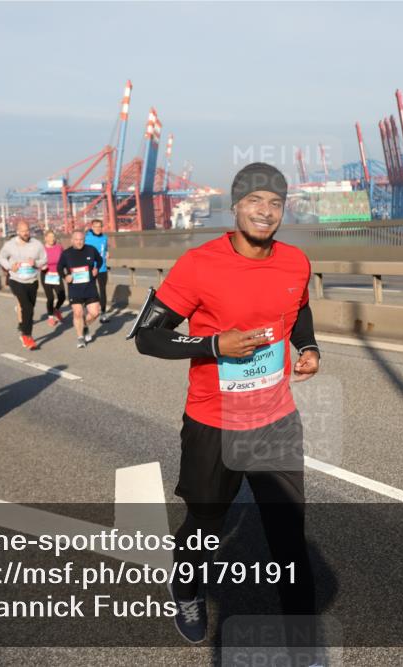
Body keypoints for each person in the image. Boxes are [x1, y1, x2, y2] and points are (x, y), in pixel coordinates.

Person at [132, 163, 320, 644]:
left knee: (287, 534)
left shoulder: (296, 262)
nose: (266, 211)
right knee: (206, 526)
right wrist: (215, 346)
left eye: (275, 203)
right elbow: (148, 338)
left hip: (274, 419)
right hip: (213, 421)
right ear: (235, 206)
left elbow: (297, 307)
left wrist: (309, 346)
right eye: (255, 200)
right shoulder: (198, 265)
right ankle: (186, 589)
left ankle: (300, 633)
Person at [0, 222, 47, 350]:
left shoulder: (37, 244)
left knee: (30, 309)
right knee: (27, 307)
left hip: (32, 280)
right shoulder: (10, 245)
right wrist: (9, 267)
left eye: (27, 230)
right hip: (16, 280)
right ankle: (27, 335)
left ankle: (25, 332)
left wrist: (35, 262)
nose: (26, 233)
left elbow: (44, 259)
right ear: (18, 231)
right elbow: (1, 257)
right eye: (23, 231)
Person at [56, 230, 102, 348]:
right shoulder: (66, 253)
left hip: (90, 287)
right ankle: (80, 337)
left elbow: (100, 260)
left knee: (95, 313)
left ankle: (84, 325)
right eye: (76, 240)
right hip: (75, 289)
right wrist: (65, 276)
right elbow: (59, 267)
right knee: (78, 313)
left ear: (84, 240)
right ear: (72, 240)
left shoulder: (91, 250)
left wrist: (96, 268)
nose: (79, 242)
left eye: (81, 239)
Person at [84, 219, 111, 323]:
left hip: (102, 268)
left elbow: (105, 249)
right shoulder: (87, 238)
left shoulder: (104, 238)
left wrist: (107, 253)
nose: (98, 228)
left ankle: (103, 313)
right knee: (91, 291)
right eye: (96, 226)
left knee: (102, 291)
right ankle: (91, 310)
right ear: (92, 227)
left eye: (100, 226)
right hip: (90, 269)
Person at [41, 230, 66, 327]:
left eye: (53, 237)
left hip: (57, 275)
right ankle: (50, 317)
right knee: (50, 298)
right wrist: (41, 267)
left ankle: (56, 309)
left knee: (62, 296)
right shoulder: (42, 250)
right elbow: (37, 261)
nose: (52, 239)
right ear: (45, 238)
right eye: (50, 237)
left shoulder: (59, 247)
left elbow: (64, 258)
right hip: (46, 275)